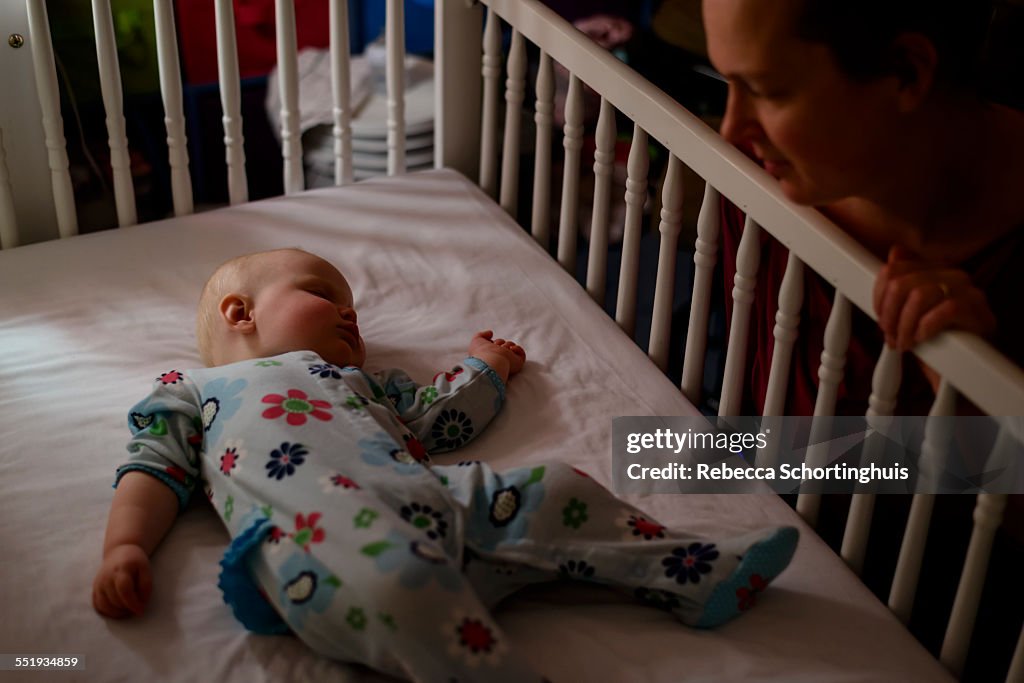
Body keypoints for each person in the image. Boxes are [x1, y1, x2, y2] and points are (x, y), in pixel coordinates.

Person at [92, 247, 798, 682]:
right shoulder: (196, 390)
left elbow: (440, 421)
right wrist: (125, 544)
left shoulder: (367, 384)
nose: (350, 315)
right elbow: (154, 468)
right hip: (326, 543)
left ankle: (691, 572)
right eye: (325, 295)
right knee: (406, 586)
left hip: (441, 504)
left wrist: (486, 367)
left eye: (352, 307)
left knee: (552, 488)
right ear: (240, 312)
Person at [701, 0, 1024, 416]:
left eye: (768, 90)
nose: (730, 130)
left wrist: (989, 409)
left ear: (906, 73)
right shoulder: (754, 178)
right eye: (729, 81)